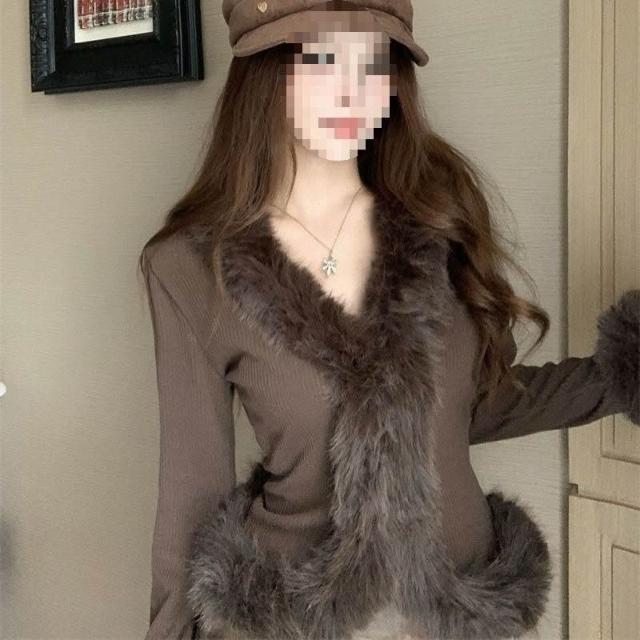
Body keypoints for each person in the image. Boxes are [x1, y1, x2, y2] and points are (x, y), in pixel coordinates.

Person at [138, 1, 640, 638]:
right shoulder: (189, 267)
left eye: (373, 63)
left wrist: (624, 370)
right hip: (302, 616)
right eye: (324, 59)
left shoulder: (435, 219)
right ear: (265, 70)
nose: (353, 91)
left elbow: (476, 406)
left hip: (459, 607)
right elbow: (191, 492)